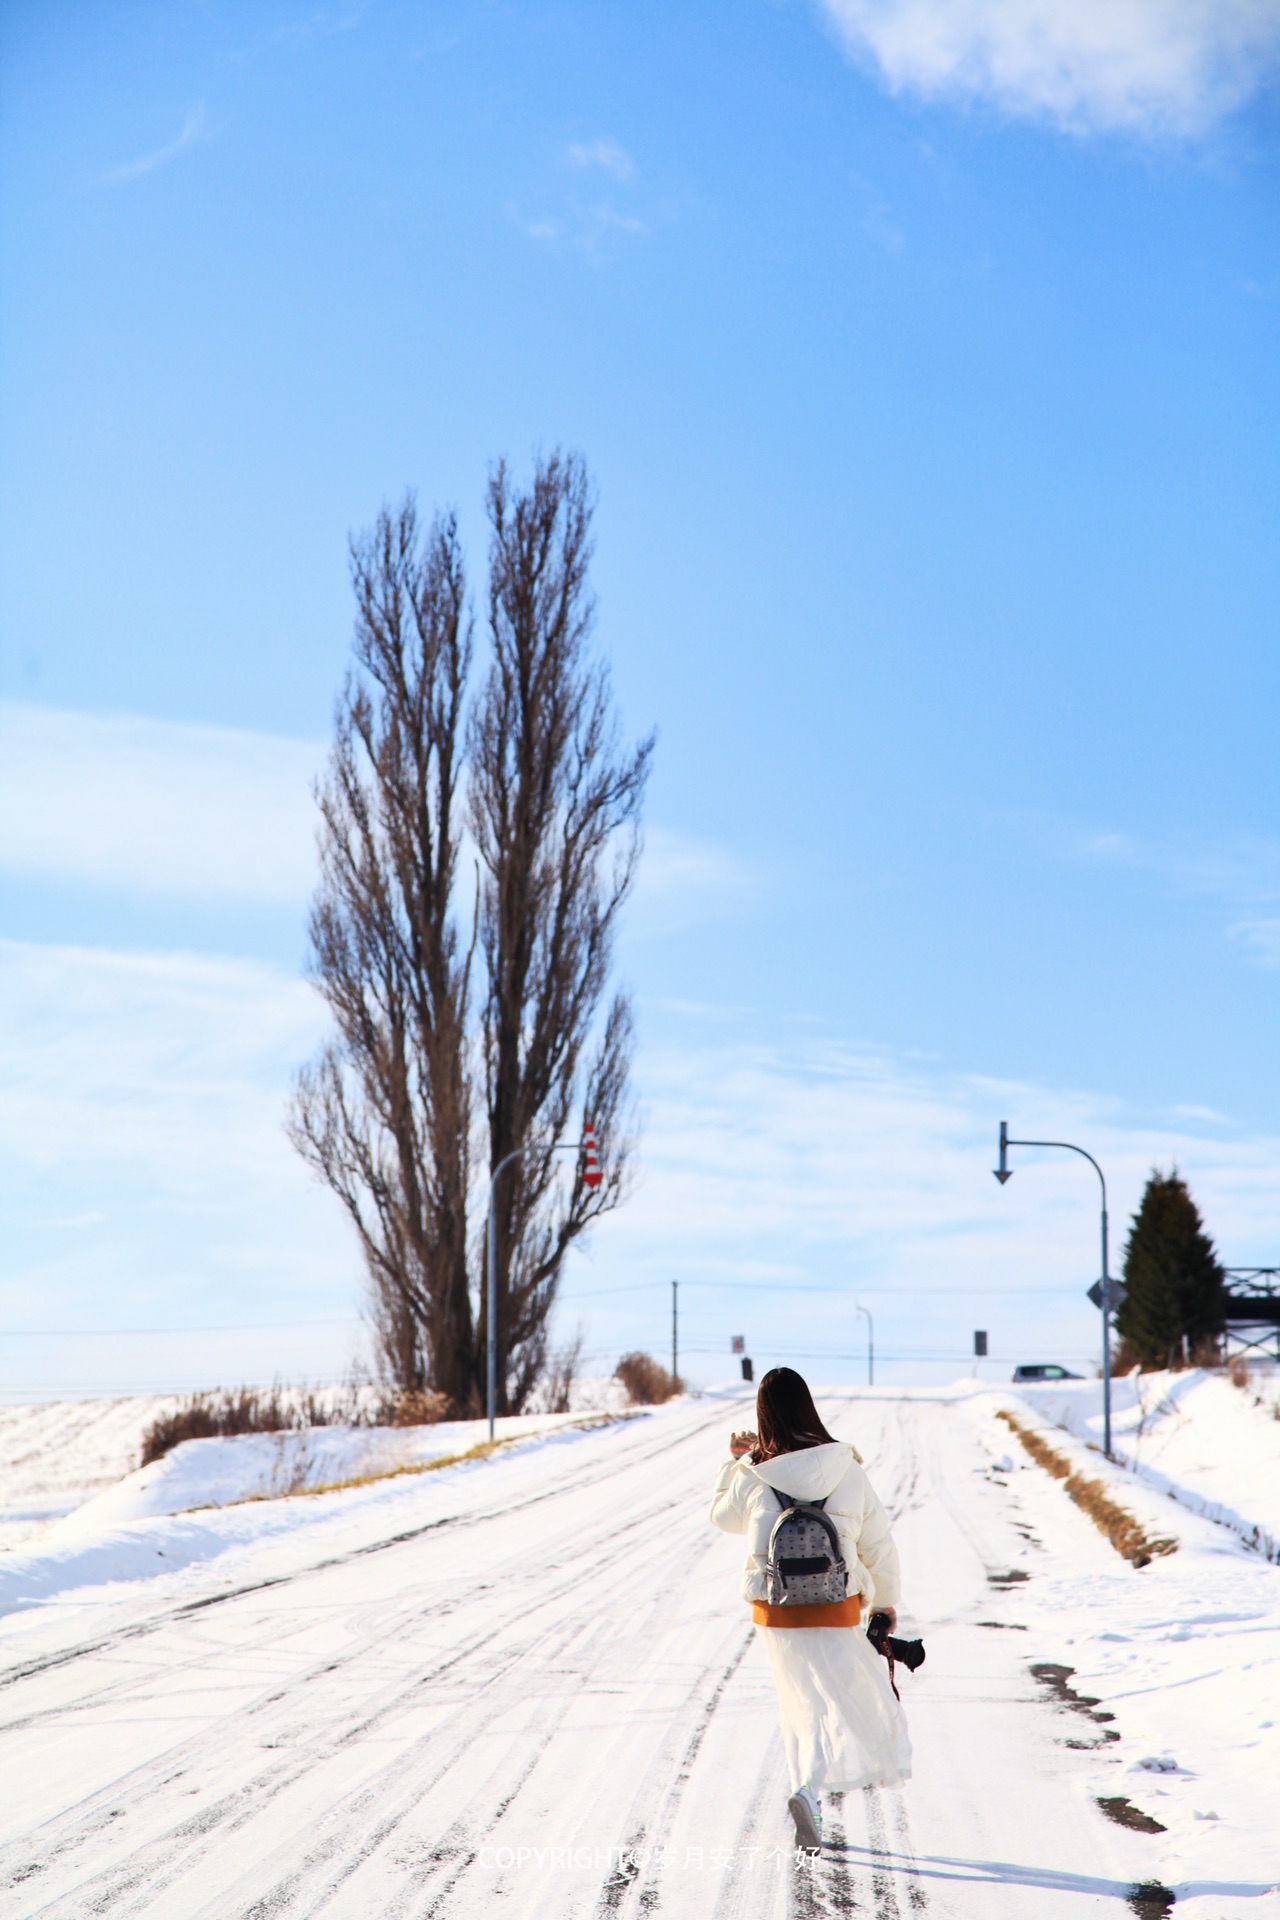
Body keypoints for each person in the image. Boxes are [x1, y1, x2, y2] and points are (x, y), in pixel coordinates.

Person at [709, 1366, 912, 1853]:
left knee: (798, 1703)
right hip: (836, 1604)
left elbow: (722, 1517)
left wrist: (735, 1460)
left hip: (776, 1610)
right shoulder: (846, 1467)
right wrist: (883, 1604)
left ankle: (809, 1793)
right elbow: (878, 1545)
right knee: (842, 1700)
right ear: (808, 1407)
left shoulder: (754, 1472)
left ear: (763, 1416)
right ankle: (809, 1790)